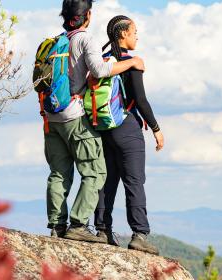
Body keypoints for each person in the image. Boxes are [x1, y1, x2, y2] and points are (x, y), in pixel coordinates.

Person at [44, 0, 145, 243]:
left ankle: (57, 225)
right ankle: (78, 224)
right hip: (75, 115)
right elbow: (99, 71)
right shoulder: (84, 39)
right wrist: (131, 62)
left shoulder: (54, 43)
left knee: (59, 173)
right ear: (87, 15)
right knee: (96, 172)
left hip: (51, 117)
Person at [93, 15, 165, 254]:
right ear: (123, 34)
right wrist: (156, 129)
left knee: (107, 180)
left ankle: (103, 229)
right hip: (127, 127)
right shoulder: (131, 62)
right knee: (134, 181)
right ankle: (139, 234)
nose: (137, 36)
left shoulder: (103, 61)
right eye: (134, 32)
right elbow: (141, 100)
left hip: (103, 127)